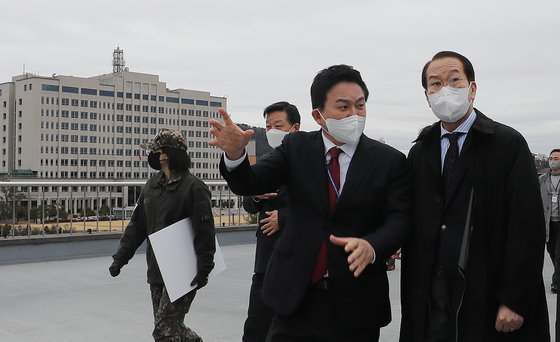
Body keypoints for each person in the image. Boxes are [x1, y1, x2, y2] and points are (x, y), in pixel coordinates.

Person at [209, 64, 411, 341]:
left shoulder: (389, 161)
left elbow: (400, 219)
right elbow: (251, 182)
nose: (354, 114)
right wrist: (235, 155)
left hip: (357, 303)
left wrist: (374, 246)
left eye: (360, 106)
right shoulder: (296, 148)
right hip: (295, 296)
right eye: (343, 107)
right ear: (318, 115)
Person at [400, 51, 549, 341]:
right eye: (435, 84)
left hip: (487, 289)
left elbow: (527, 226)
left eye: (454, 80)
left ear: (472, 89)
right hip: (433, 291)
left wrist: (515, 298)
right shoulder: (421, 151)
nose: (445, 90)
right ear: (427, 95)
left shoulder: (506, 144)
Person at [108, 129, 216, 342]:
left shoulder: (194, 188)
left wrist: (204, 267)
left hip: (184, 270)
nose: (154, 155)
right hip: (157, 267)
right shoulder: (152, 185)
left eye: (156, 151)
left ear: (167, 154)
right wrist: (120, 258)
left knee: (163, 330)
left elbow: (205, 231)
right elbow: (138, 224)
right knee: (169, 325)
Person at [242, 101, 301, 342]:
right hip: (266, 260)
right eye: (268, 126)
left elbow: (325, 207)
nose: (272, 131)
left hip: (297, 260)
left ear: (295, 128)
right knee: (257, 326)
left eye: (278, 125)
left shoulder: (312, 163)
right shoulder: (268, 160)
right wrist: (255, 195)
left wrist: (284, 218)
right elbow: (247, 202)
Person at [540, 149, 560, 293]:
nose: (553, 160)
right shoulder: (542, 180)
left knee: (559, 253)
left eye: (556, 158)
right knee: (552, 252)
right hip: (548, 223)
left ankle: (556, 282)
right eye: (551, 158)